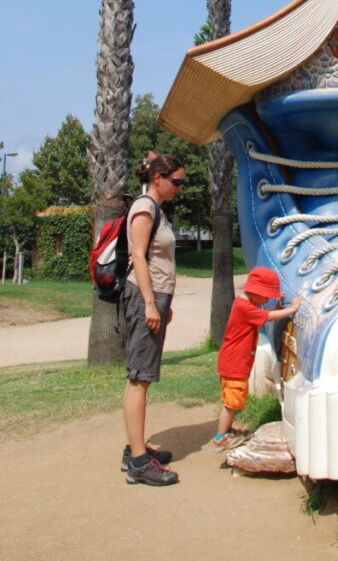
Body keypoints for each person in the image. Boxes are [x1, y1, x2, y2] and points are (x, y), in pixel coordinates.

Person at [121, 153, 185, 486]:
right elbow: (138, 257)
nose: (180, 188)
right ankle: (138, 463)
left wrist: (163, 303)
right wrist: (149, 303)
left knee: (142, 375)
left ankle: (135, 448)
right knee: (139, 377)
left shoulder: (155, 207)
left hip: (156, 296)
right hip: (144, 295)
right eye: (176, 182)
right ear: (158, 179)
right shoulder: (145, 208)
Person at [213, 267, 301, 451]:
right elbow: (267, 316)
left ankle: (227, 431)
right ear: (256, 292)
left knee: (233, 398)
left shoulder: (245, 304)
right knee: (232, 402)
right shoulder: (244, 307)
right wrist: (291, 309)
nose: (268, 300)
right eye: (266, 296)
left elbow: (264, 314)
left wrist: (276, 307)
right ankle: (220, 437)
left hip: (233, 361)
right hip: (234, 363)